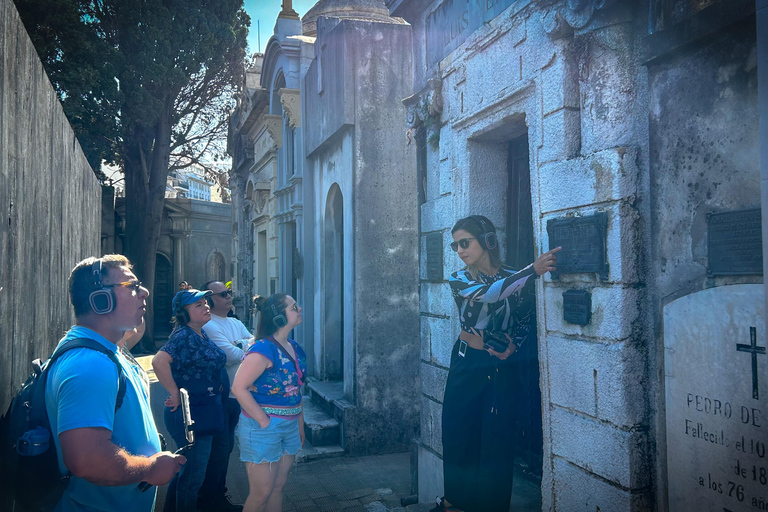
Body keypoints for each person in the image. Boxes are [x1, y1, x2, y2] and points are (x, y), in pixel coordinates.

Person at [434, 216, 560, 512]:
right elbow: (491, 294)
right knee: (459, 432)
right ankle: (453, 503)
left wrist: (514, 343)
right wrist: (533, 270)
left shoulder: (514, 275)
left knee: (497, 437)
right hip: (468, 364)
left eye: (465, 242)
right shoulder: (460, 278)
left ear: (487, 241)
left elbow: (526, 314)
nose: (459, 250)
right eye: (455, 245)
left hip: (502, 366)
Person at [45, 255, 185, 511]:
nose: (145, 292)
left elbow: (134, 332)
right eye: (132, 286)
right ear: (101, 300)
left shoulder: (107, 353)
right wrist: (151, 468)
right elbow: (88, 460)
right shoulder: (90, 366)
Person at [151, 289, 228, 512]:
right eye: (198, 305)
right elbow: (159, 361)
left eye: (206, 303)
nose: (206, 307)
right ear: (184, 314)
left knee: (189, 472)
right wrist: (174, 393)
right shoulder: (184, 335)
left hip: (206, 411)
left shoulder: (199, 333)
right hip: (191, 414)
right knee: (192, 477)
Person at [232, 294, 307, 512]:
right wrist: (265, 422)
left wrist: (300, 425)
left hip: (290, 426)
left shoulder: (295, 346)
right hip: (263, 428)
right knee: (261, 493)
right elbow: (238, 388)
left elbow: (296, 389)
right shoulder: (263, 349)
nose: (300, 308)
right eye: (294, 307)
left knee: (277, 488)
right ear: (279, 318)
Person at [197, 280, 251, 512]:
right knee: (218, 452)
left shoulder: (236, 322)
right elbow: (229, 355)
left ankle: (218, 496)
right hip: (219, 399)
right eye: (222, 294)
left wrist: (241, 346)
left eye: (229, 292)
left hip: (235, 397)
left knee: (225, 449)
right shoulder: (209, 325)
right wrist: (242, 346)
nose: (229, 296)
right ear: (209, 301)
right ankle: (210, 501)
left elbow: (256, 347)